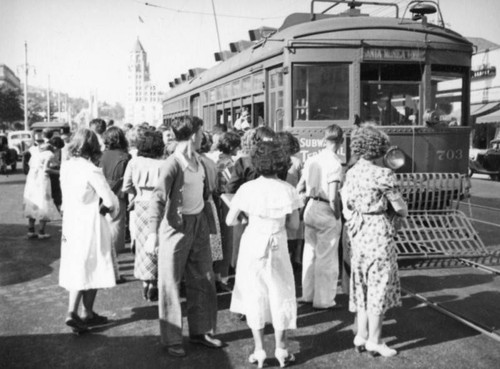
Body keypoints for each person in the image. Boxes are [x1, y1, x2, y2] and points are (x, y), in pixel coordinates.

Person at [146, 115, 224, 358]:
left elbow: (206, 192)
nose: (204, 137)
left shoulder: (200, 161)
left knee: (203, 278)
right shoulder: (172, 164)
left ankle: (201, 331)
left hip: (198, 223)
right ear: (192, 135)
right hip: (175, 228)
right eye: (201, 133)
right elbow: (158, 199)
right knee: (170, 282)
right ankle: (171, 339)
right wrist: (152, 234)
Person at [226, 141, 302, 368]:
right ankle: (281, 348)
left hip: (253, 242)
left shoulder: (247, 189)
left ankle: (259, 350)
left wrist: (247, 218)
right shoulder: (288, 190)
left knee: (254, 293)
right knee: (281, 292)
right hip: (277, 242)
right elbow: (295, 226)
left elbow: (230, 220)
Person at [341, 124, 408, 357]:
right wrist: (401, 209)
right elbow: (400, 208)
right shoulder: (384, 174)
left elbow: (347, 203)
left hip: (358, 231)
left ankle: (361, 334)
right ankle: (375, 340)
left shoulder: (351, 172)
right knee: (378, 285)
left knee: (361, 282)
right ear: (379, 147)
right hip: (378, 231)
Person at [59, 128, 119, 333]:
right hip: (91, 223)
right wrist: (111, 208)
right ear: (93, 147)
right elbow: (109, 200)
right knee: (93, 265)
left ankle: (71, 311)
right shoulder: (91, 170)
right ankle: (87, 312)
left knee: (77, 265)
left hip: (71, 222)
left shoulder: (66, 167)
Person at [297, 124, 343, 310]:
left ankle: (308, 295)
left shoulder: (312, 159)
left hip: (311, 206)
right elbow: (333, 196)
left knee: (310, 252)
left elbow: (300, 186)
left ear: (325, 139)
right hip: (326, 209)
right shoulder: (335, 163)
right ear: (341, 141)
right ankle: (324, 300)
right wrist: (337, 215)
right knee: (327, 256)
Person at [122, 130, 165, 302]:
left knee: (141, 244)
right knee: (157, 243)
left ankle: (145, 281)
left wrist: (136, 194)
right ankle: (155, 280)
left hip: (140, 205)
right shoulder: (163, 164)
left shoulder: (134, 162)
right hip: (159, 206)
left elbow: (126, 187)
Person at [100, 126, 131, 282]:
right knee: (116, 229)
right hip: (118, 195)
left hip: (100, 196)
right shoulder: (126, 157)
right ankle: (113, 267)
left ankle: (105, 265)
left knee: (103, 229)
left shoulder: (100, 156)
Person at [212, 131, 241, 291]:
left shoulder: (216, 160)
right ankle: (221, 277)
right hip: (226, 202)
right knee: (227, 240)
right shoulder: (230, 164)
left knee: (218, 238)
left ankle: (218, 274)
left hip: (216, 202)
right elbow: (232, 185)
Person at [276, 131, 304, 271]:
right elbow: (301, 182)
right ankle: (296, 257)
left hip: (279, 199)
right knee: (296, 229)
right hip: (293, 199)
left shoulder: (276, 159)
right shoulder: (297, 161)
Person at [22, 136, 60, 239]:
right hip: (42, 179)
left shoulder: (34, 150)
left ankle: (31, 231)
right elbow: (46, 169)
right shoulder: (50, 154)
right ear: (55, 147)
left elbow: (27, 152)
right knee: (44, 202)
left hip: (31, 179)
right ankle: (41, 232)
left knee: (32, 201)